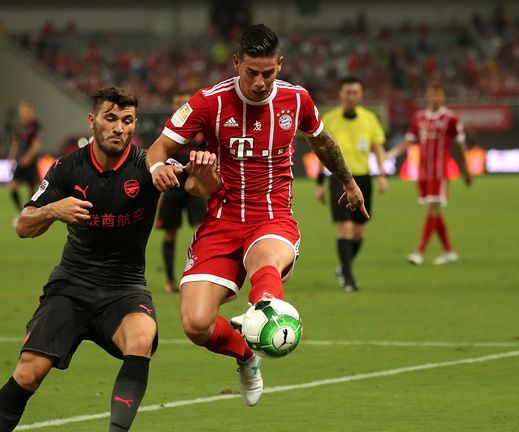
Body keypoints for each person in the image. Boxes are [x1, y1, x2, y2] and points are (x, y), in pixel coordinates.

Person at [146, 24, 367, 406]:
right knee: (196, 324)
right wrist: (156, 169)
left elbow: (323, 142)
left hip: (273, 216)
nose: (261, 82)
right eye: (252, 72)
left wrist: (348, 181)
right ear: (236, 63)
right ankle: (247, 355)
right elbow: (158, 148)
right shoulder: (208, 101)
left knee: (266, 262)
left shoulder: (297, 100)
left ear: (280, 64)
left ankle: (265, 313)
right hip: (221, 220)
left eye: (269, 72)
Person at [0, 87, 161, 432]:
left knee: (141, 338)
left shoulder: (146, 165)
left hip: (124, 287)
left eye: (127, 121)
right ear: (93, 121)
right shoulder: (68, 168)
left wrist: (203, 172)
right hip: (72, 286)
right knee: (28, 373)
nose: (119, 128)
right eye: (111, 119)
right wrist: (53, 210)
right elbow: (22, 225)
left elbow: (202, 187)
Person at [317, 77, 388, 292]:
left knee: (358, 232)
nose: (351, 96)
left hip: (363, 179)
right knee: (344, 228)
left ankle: (343, 267)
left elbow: (377, 147)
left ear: (361, 95)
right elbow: (321, 151)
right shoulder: (329, 119)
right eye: (347, 92)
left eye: (355, 92)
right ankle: (348, 278)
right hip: (339, 179)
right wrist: (320, 183)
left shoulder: (369, 119)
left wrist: (383, 174)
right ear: (340, 95)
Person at [389, 82, 472, 265]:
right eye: (432, 94)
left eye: (438, 95)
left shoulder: (451, 118)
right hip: (423, 172)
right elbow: (407, 142)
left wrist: (466, 170)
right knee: (434, 212)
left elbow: (461, 145)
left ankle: (419, 252)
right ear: (427, 96)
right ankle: (449, 251)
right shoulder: (419, 118)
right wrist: (390, 155)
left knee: (431, 210)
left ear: (443, 97)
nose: (435, 98)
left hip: (440, 172)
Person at [156, 92, 208, 293]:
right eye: (177, 103)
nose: (180, 106)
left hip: (195, 189)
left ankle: (200, 275)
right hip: (173, 188)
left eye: (184, 103)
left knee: (202, 232)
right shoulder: (167, 132)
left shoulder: (201, 129)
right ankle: (170, 280)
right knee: (170, 234)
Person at [7, 101, 42, 218]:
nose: (23, 113)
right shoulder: (19, 126)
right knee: (12, 186)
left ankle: (30, 212)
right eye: (22, 111)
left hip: (30, 161)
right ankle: (20, 212)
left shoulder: (36, 125)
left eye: (26, 111)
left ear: (31, 111)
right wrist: (11, 157)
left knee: (31, 188)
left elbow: (36, 144)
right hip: (20, 161)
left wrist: (28, 157)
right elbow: (15, 143)